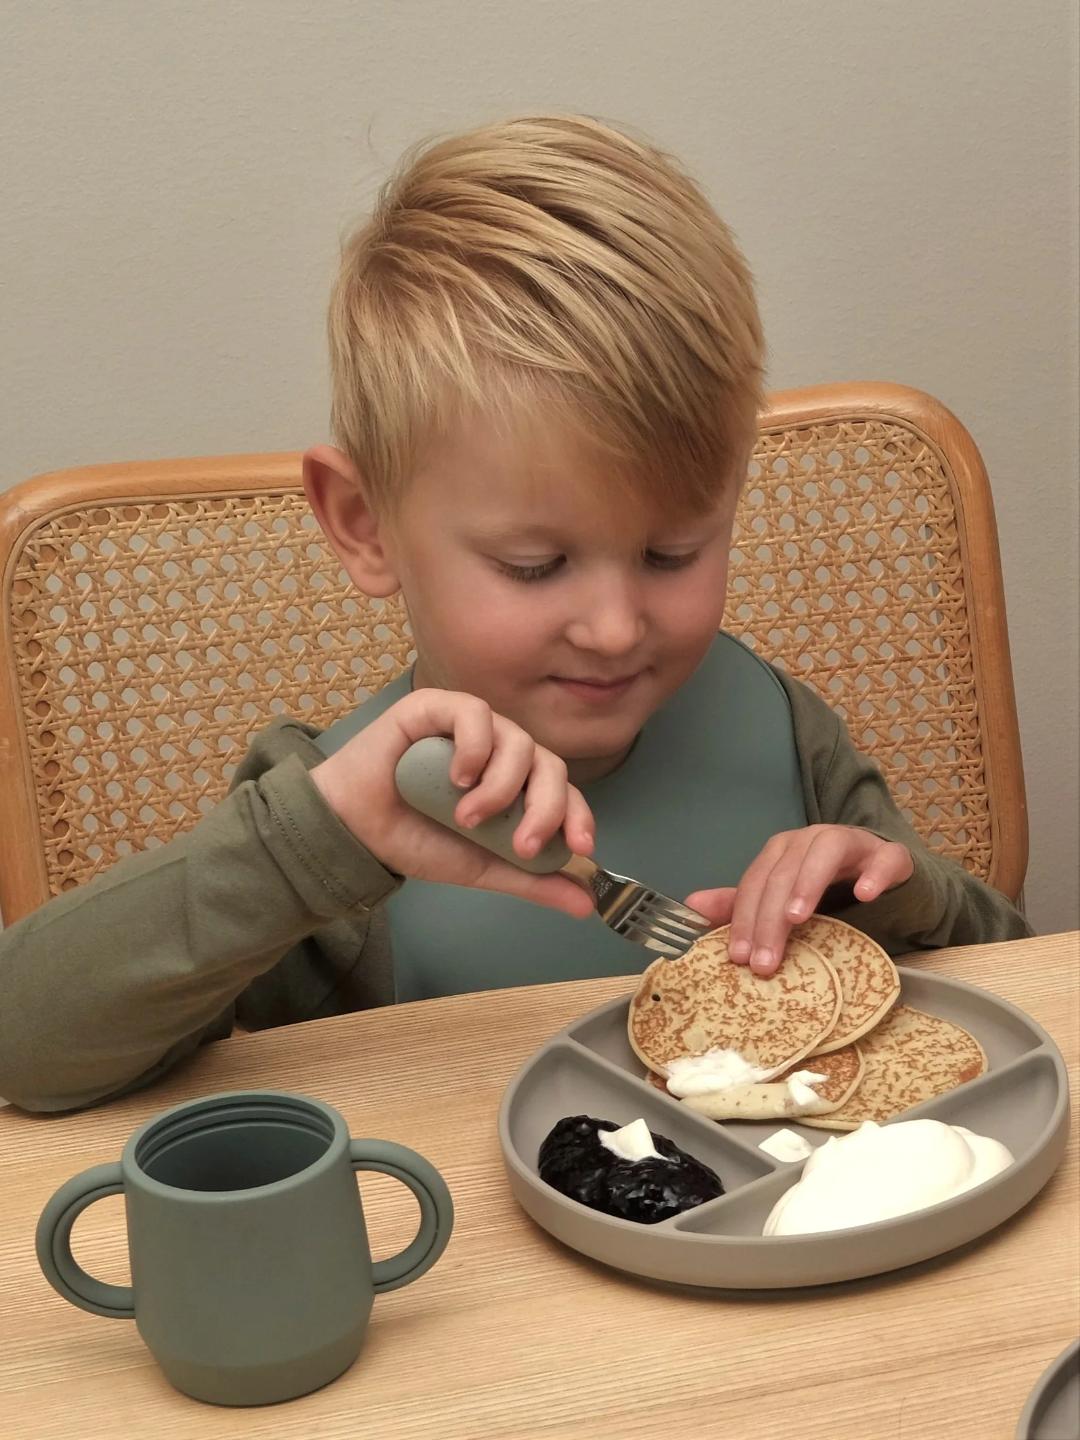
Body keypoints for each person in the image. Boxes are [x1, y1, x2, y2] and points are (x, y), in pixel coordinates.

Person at [0, 114, 1029, 1114]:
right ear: (364, 525)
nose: (615, 627)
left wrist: (904, 903)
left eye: (672, 552)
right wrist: (302, 851)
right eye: (535, 567)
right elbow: (26, 1052)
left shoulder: (782, 730)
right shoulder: (330, 812)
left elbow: (1020, 981)